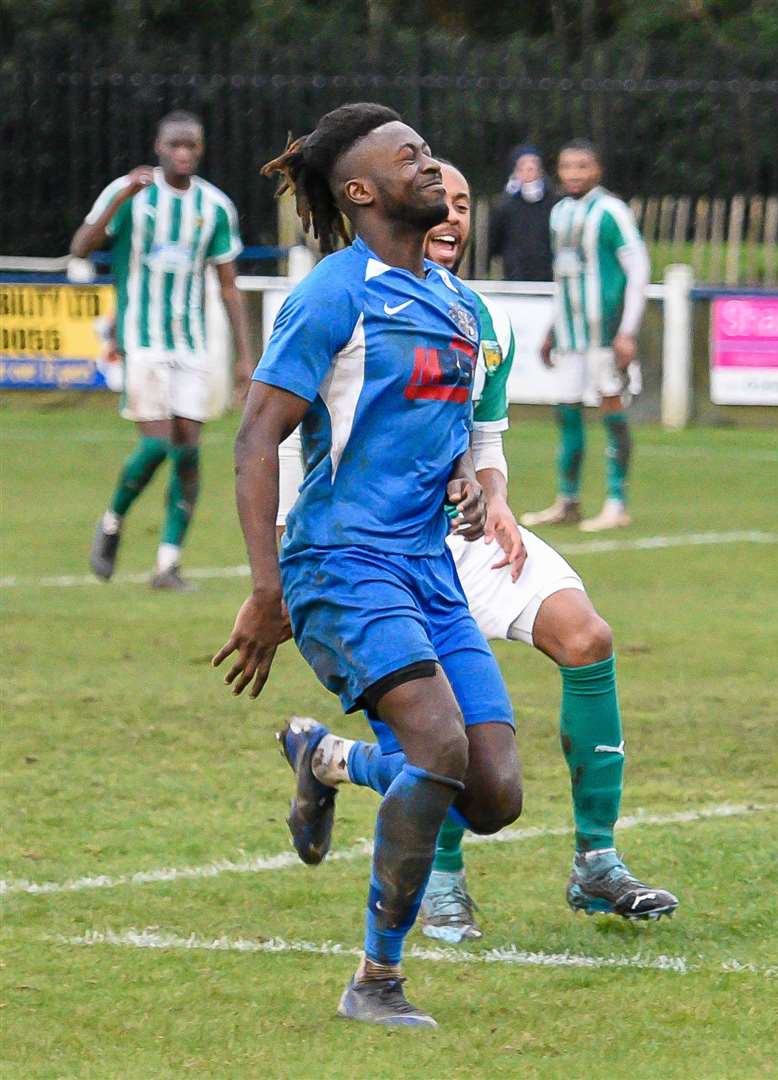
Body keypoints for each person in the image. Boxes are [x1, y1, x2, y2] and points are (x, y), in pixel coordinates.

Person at [277, 160, 678, 944]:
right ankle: (437, 876)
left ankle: (597, 861)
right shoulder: (349, 296)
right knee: (444, 734)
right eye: (440, 201)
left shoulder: (473, 316)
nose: (453, 216)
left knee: (587, 637)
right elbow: (294, 432)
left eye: (465, 203)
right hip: (375, 548)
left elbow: (485, 440)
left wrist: (493, 496)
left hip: (465, 532)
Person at [212, 103, 523, 1029]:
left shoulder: (461, 305)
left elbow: (446, 436)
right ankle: (374, 981)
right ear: (360, 191)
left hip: (430, 571)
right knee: (437, 747)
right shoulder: (331, 295)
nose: (434, 170)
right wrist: (267, 587)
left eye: (430, 152)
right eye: (412, 158)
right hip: (342, 564)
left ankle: (327, 757)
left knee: (494, 792)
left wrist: (471, 481)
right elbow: (255, 440)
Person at [74, 110, 254, 590]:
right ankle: (112, 521)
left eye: (191, 145)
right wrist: (121, 201)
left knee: (189, 452)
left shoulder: (214, 207)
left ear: (199, 150)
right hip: (143, 340)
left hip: (192, 345)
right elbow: (81, 247)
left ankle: (167, 564)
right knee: (156, 444)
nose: (183, 153)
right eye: (175, 144)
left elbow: (229, 288)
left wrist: (244, 357)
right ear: (158, 147)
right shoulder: (128, 192)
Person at [521, 139, 650, 532]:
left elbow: (639, 268)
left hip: (604, 333)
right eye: (567, 167)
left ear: (597, 170)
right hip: (572, 336)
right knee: (566, 411)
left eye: (582, 166)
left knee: (611, 408)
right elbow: (564, 276)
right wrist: (552, 329)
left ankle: (617, 501)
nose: (574, 174)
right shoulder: (559, 213)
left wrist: (627, 330)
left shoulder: (611, 211)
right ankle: (568, 500)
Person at [487, 145, 554, 281]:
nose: (527, 172)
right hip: (515, 276)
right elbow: (495, 241)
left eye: (532, 167)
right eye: (522, 168)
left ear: (540, 170)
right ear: (515, 171)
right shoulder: (504, 206)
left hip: (548, 277)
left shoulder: (554, 204)